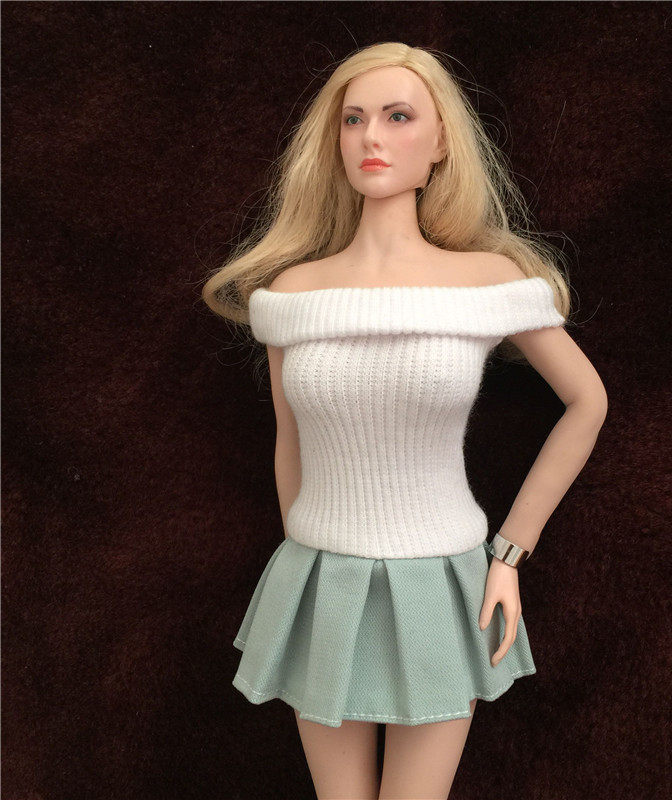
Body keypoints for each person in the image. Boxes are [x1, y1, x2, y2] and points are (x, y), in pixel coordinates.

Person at [203, 42, 607, 800]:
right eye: (353, 119)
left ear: (441, 141)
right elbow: (290, 438)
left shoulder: (486, 283)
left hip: (441, 581)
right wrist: (303, 555)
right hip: (321, 578)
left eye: (397, 117)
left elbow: (588, 402)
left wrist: (509, 554)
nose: (371, 138)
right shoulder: (293, 295)